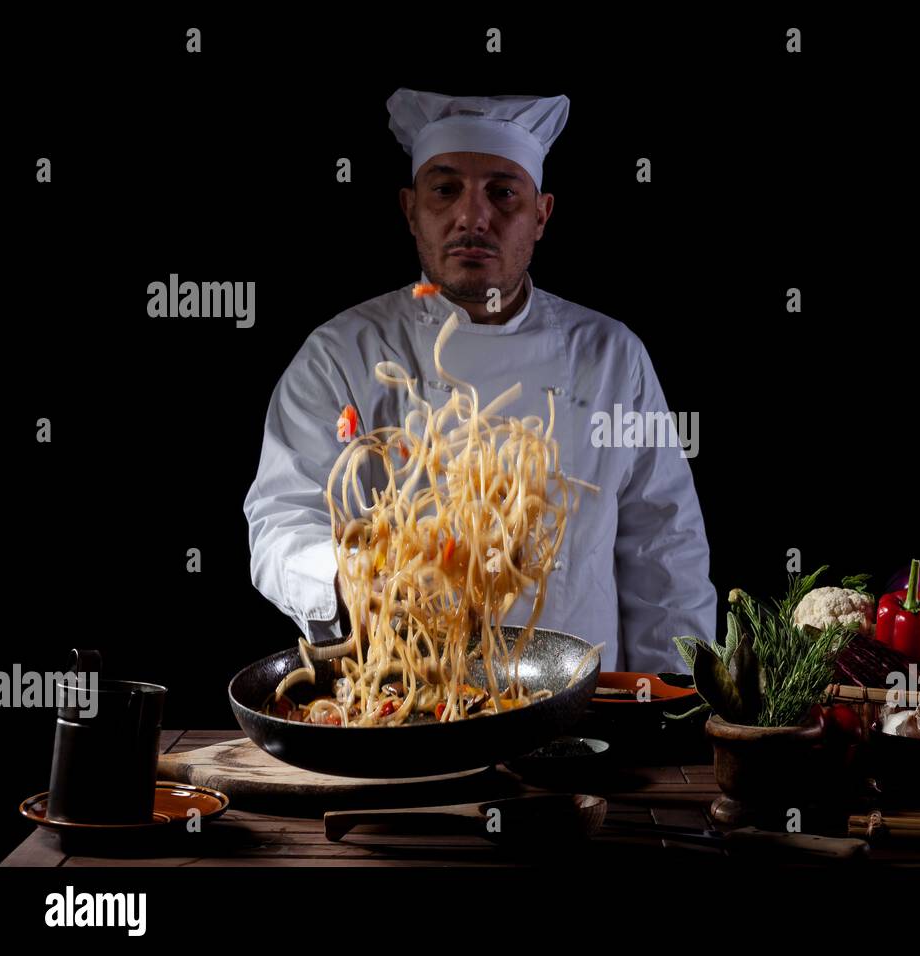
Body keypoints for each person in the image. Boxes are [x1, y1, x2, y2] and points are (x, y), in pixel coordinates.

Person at [242, 89, 716, 671]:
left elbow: (666, 554)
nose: (473, 216)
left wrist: (671, 714)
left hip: (582, 728)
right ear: (411, 209)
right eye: (445, 191)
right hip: (403, 715)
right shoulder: (340, 355)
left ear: (540, 215)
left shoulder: (612, 356)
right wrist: (350, 578)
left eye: (502, 193)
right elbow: (281, 519)